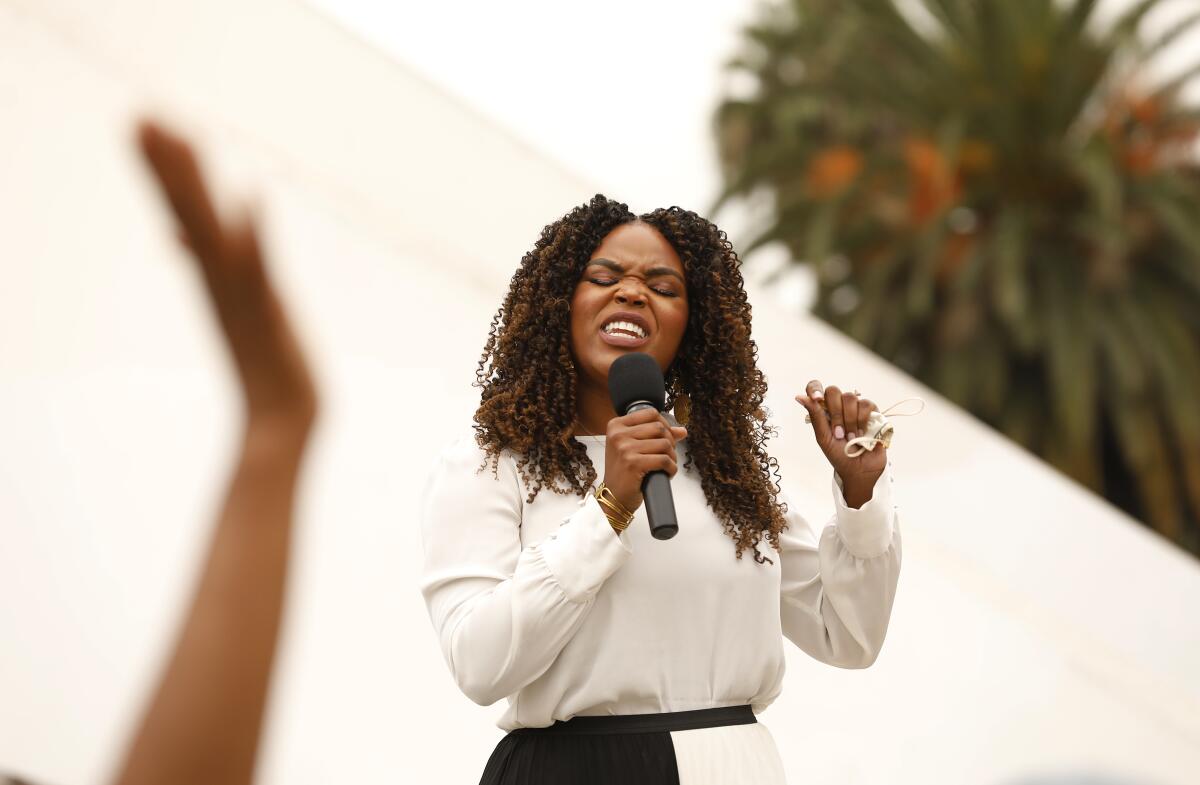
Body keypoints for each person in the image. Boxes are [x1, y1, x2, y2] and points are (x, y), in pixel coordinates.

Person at [418, 195, 903, 784]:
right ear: (558, 304)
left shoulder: (725, 471)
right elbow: (480, 664)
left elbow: (847, 636)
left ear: (690, 329)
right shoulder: (490, 466)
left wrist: (860, 493)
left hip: (733, 766)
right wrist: (608, 507)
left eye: (663, 286)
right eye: (603, 277)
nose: (630, 292)